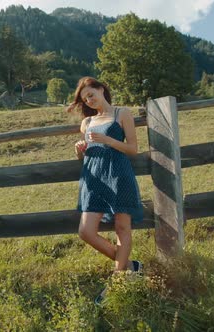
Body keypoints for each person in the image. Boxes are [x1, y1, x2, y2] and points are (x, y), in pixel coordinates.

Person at [67, 76, 144, 305]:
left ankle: (117, 282)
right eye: (85, 99)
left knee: (122, 227)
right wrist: (79, 149)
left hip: (119, 175)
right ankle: (131, 266)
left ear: (101, 89)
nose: (89, 100)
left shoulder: (123, 114)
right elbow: (85, 153)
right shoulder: (87, 123)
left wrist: (108, 140)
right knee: (86, 232)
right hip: (93, 179)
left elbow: (133, 149)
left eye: (91, 94)